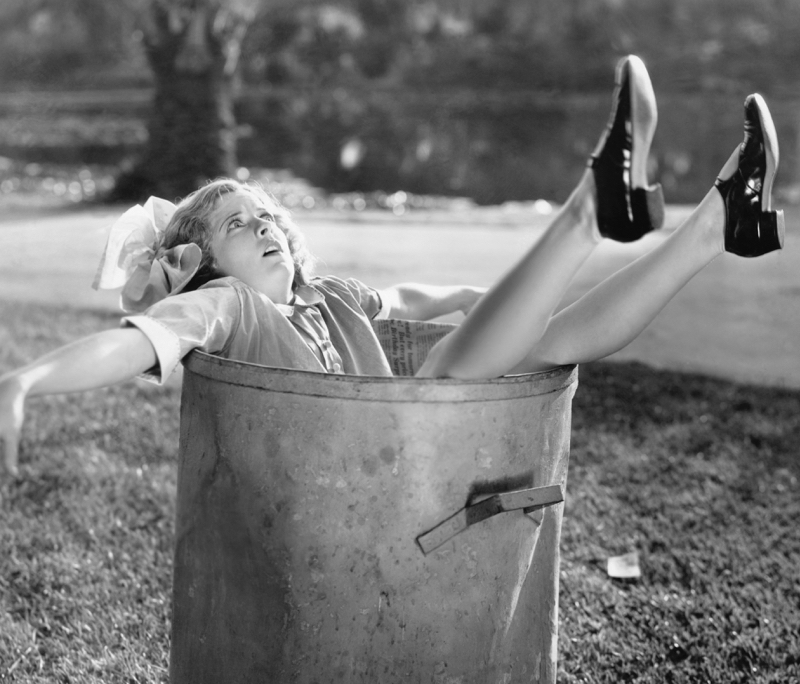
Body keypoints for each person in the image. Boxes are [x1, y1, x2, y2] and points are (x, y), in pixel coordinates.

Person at [0, 55, 784, 477]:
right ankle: (590, 208)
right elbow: (133, 341)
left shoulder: (328, 296)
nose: (266, 225)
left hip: (398, 466)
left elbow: (410, 293)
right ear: (204, 264)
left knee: (550, 340)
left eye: (269, 213)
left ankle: (716, 225)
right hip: (342, 483)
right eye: (239, 225)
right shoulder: (225, 312)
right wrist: (26, 380)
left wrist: (485, 299)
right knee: (447, 371)